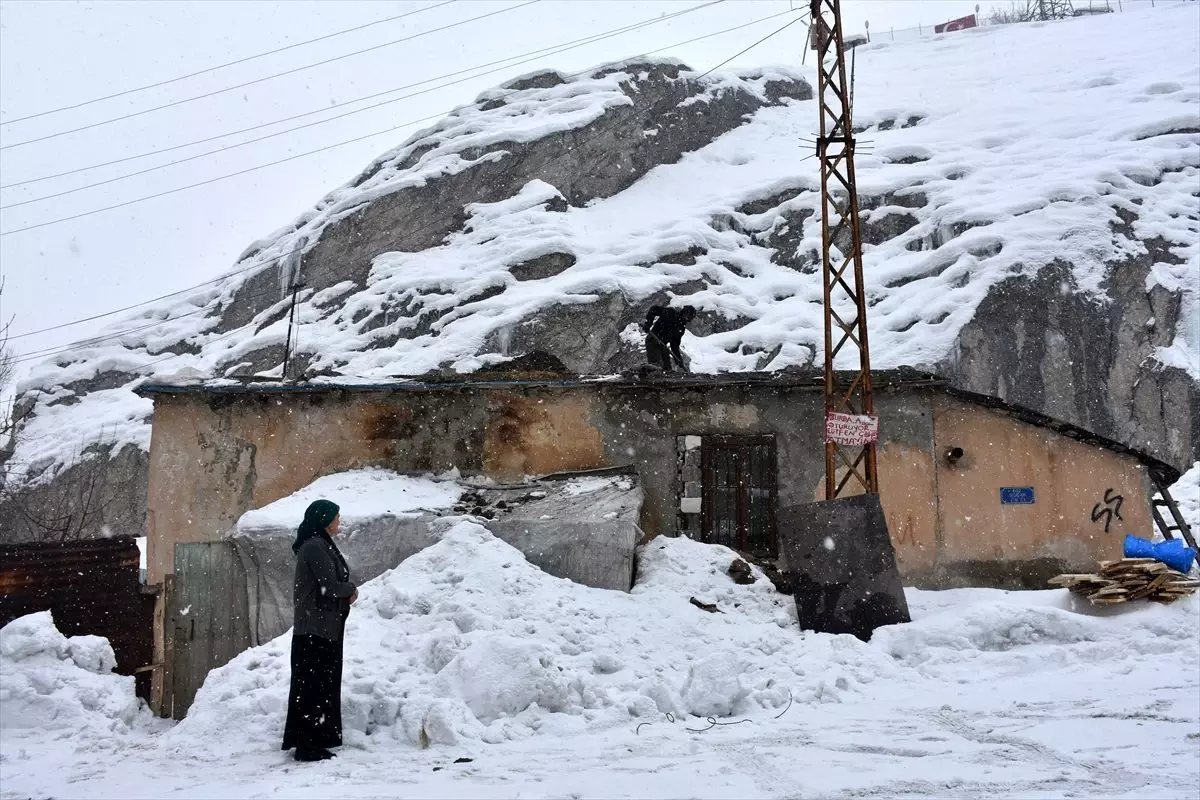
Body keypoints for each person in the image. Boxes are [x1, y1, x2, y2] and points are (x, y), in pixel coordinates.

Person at [281, 499, 358, 762]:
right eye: (336, 517)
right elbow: (330, 585)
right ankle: (307, 744)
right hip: (314, 631)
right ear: (323, 519)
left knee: (320, 685)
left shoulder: (321, 544)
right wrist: (350, 591)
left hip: (324, 628)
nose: (339, 522)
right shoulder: (314, 547)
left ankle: (318, 739)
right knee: (312, 688)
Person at [643, 304, 697, 372]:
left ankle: (665, 379)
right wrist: (648, 324)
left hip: (663, 346)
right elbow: (653, 309)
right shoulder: (670, 312)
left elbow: (674, 346)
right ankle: (653, 378)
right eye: (689, 316)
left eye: (691, 318)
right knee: (656, 366)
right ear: (684, 312)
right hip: (653, 339)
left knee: (667, 369)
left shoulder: (681, 328)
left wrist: (678, 359)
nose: (689, 319)